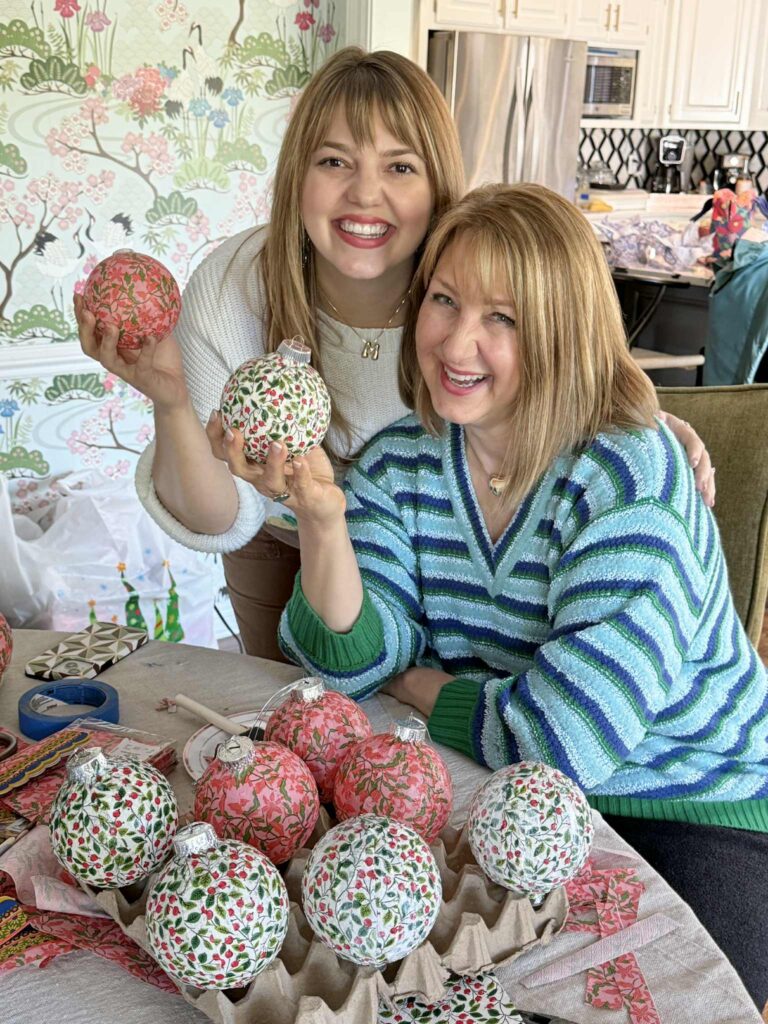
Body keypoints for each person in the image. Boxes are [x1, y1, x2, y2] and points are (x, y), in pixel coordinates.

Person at [229, 183, 768, 1007]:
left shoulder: (629, 478)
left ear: (560, 333)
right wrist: (323, 520)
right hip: (489, 783)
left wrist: (416, 684)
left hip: (685, 803)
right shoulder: (403, 461)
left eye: (503, 319)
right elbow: (345, 659)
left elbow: (563, 742)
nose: (456, 341)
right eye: (444, 300)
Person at [73, 47, 714, 661]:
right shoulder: (235, 286)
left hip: (443, 558)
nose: (364, 194)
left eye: (400, 167)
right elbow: (220, 518)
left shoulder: (463, 281)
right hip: (288, 540)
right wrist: (173, 400)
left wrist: (644, 426)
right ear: (297, 174)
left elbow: (559, 346)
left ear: (439, 186)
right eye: (334, 162)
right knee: (293, 724)